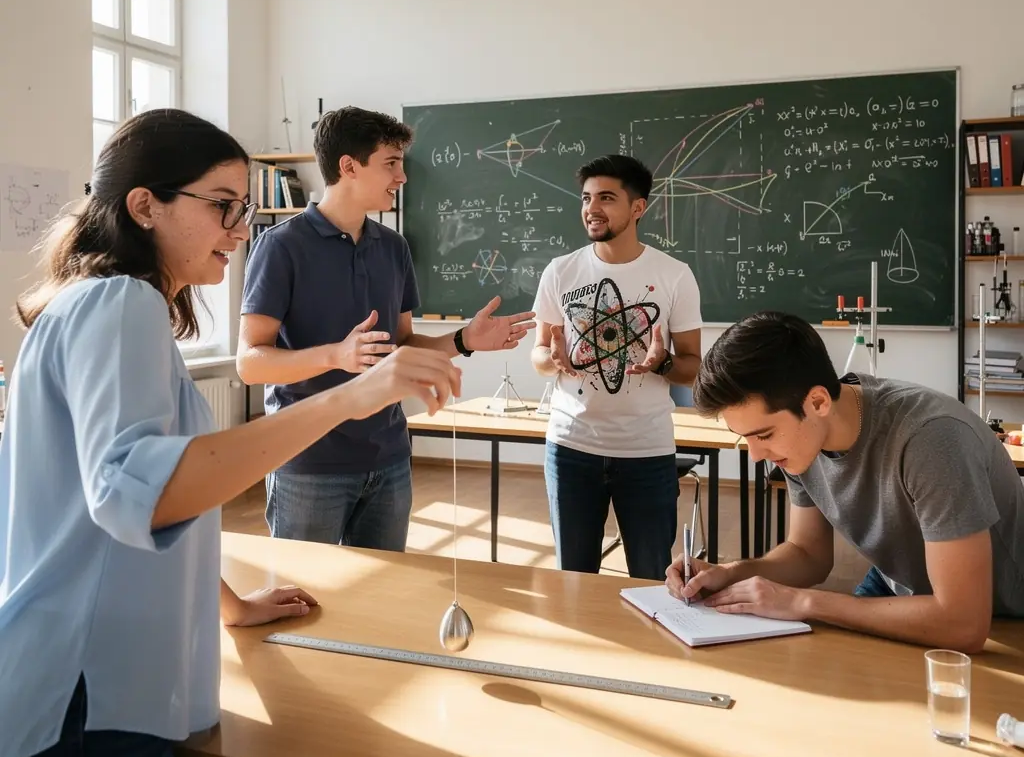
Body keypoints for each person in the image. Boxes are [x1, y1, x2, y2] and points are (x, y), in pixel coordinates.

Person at [0, 109, 461, 757]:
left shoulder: (110, 305)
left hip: (96, 686)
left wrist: (228, 604)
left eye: (242, 209)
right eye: (222, 207)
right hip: (85, 694)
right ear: (144, 206)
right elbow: (139, 492)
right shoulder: (118, 302)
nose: (241, 230)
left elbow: (133, 498)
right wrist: (348, 395)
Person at [237, 106, 534, 551]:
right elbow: (250, 363)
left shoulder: (393, 248)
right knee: (302, 602)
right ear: (348, 167)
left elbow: (403, 345)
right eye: (391, 164)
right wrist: (335, 355)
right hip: (307, 460)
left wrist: (463, 341)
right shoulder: (280, 247)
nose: (403, 178)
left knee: (382, 602)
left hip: (389, 458)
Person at [667, 310, 1024, 652]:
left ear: (818, 401)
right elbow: (808, 555)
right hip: (901, 587)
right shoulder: (801, 442)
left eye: (764, 434)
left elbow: (963, 624)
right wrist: (729, 573)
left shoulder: (931, 440)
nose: (757, 455)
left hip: (1002, 612)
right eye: (745, 437)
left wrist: (804, 601)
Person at [531, 154, 703, 580]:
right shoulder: (560, 271)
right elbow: (538, 355)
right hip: (570, 450)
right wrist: (553, 361)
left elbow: (693, 367)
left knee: (651, 579)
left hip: (646, 452)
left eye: (606, 198)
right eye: (587, 198)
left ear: (638, 208)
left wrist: (662, 363)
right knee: (574, 578)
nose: (592, 208)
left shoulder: (674, 276)